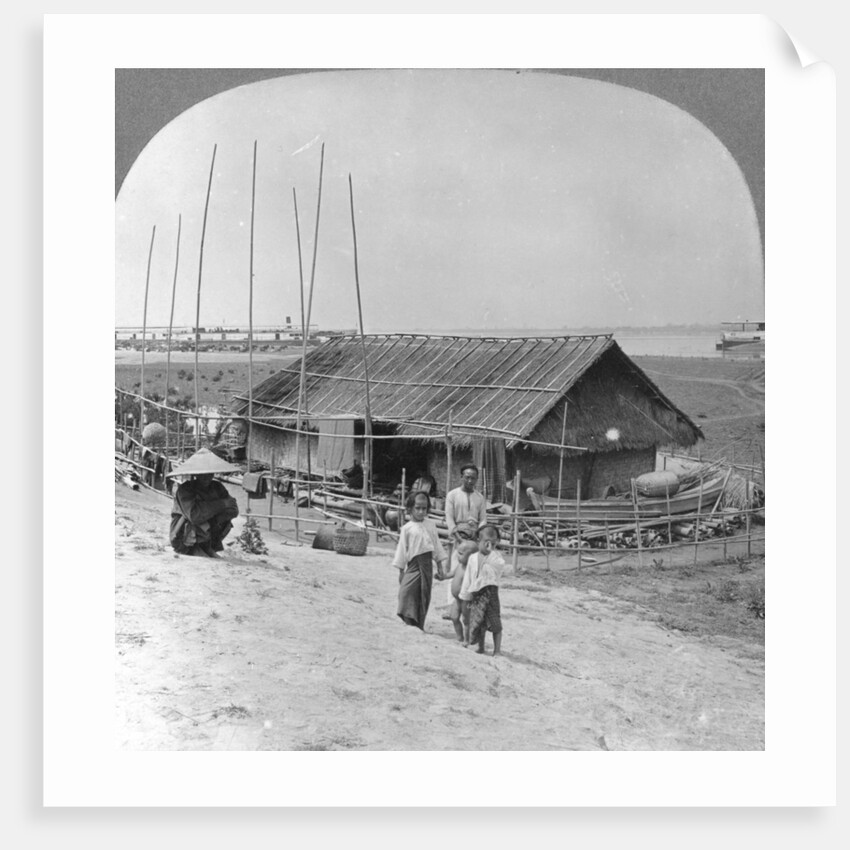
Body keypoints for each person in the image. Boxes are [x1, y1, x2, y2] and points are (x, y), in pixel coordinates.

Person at [167, 448, 240, 557]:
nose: (206, 477)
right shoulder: (185, 489)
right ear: (196, 474)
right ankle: (194, 548)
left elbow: (234, 509)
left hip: (209, 531)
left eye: (209, 473)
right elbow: (194, 515)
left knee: (222, 520)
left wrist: (214, 517)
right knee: (198, 519)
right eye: (202, 474)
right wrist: (222, 504)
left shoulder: (217, 487)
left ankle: (207, 546)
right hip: (182, 537)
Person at [393, 490, 448, 630]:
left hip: (427, 566)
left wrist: (440, 566)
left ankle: (419, 624)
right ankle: (408, 620)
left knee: (423, 595)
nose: (421, 512)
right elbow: (402, 550)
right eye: (417, 508)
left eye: (424, 508)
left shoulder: (431, 525)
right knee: (406, 593)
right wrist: (401, 571)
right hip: (413, 566)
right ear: (410, 508)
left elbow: (436, 546)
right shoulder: (407, 528)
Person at [459, 524, 507, 655]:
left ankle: (497, 650)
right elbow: (468, 578)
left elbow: (500, 566)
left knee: (495, 623)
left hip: (491, 593)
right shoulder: (473, 558)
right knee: (478, 622)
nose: (489, 545)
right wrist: (465, 595)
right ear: (478, 541)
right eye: (486, 542)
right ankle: (480, 647)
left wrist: (491, 551)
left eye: (493, 543)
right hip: (476, 594)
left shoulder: (496, 558)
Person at [445, 464, 487, 546]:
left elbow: (483, 519)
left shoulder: (480, 497)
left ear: (477, 479)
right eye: (467, 477)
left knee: (473, 558)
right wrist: (458, 537)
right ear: (461, 477)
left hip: (474, 536)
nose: (470, 481)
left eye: (473, 478)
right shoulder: (452, 495)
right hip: (457, 536)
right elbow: (449, 518)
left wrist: (478, 533)